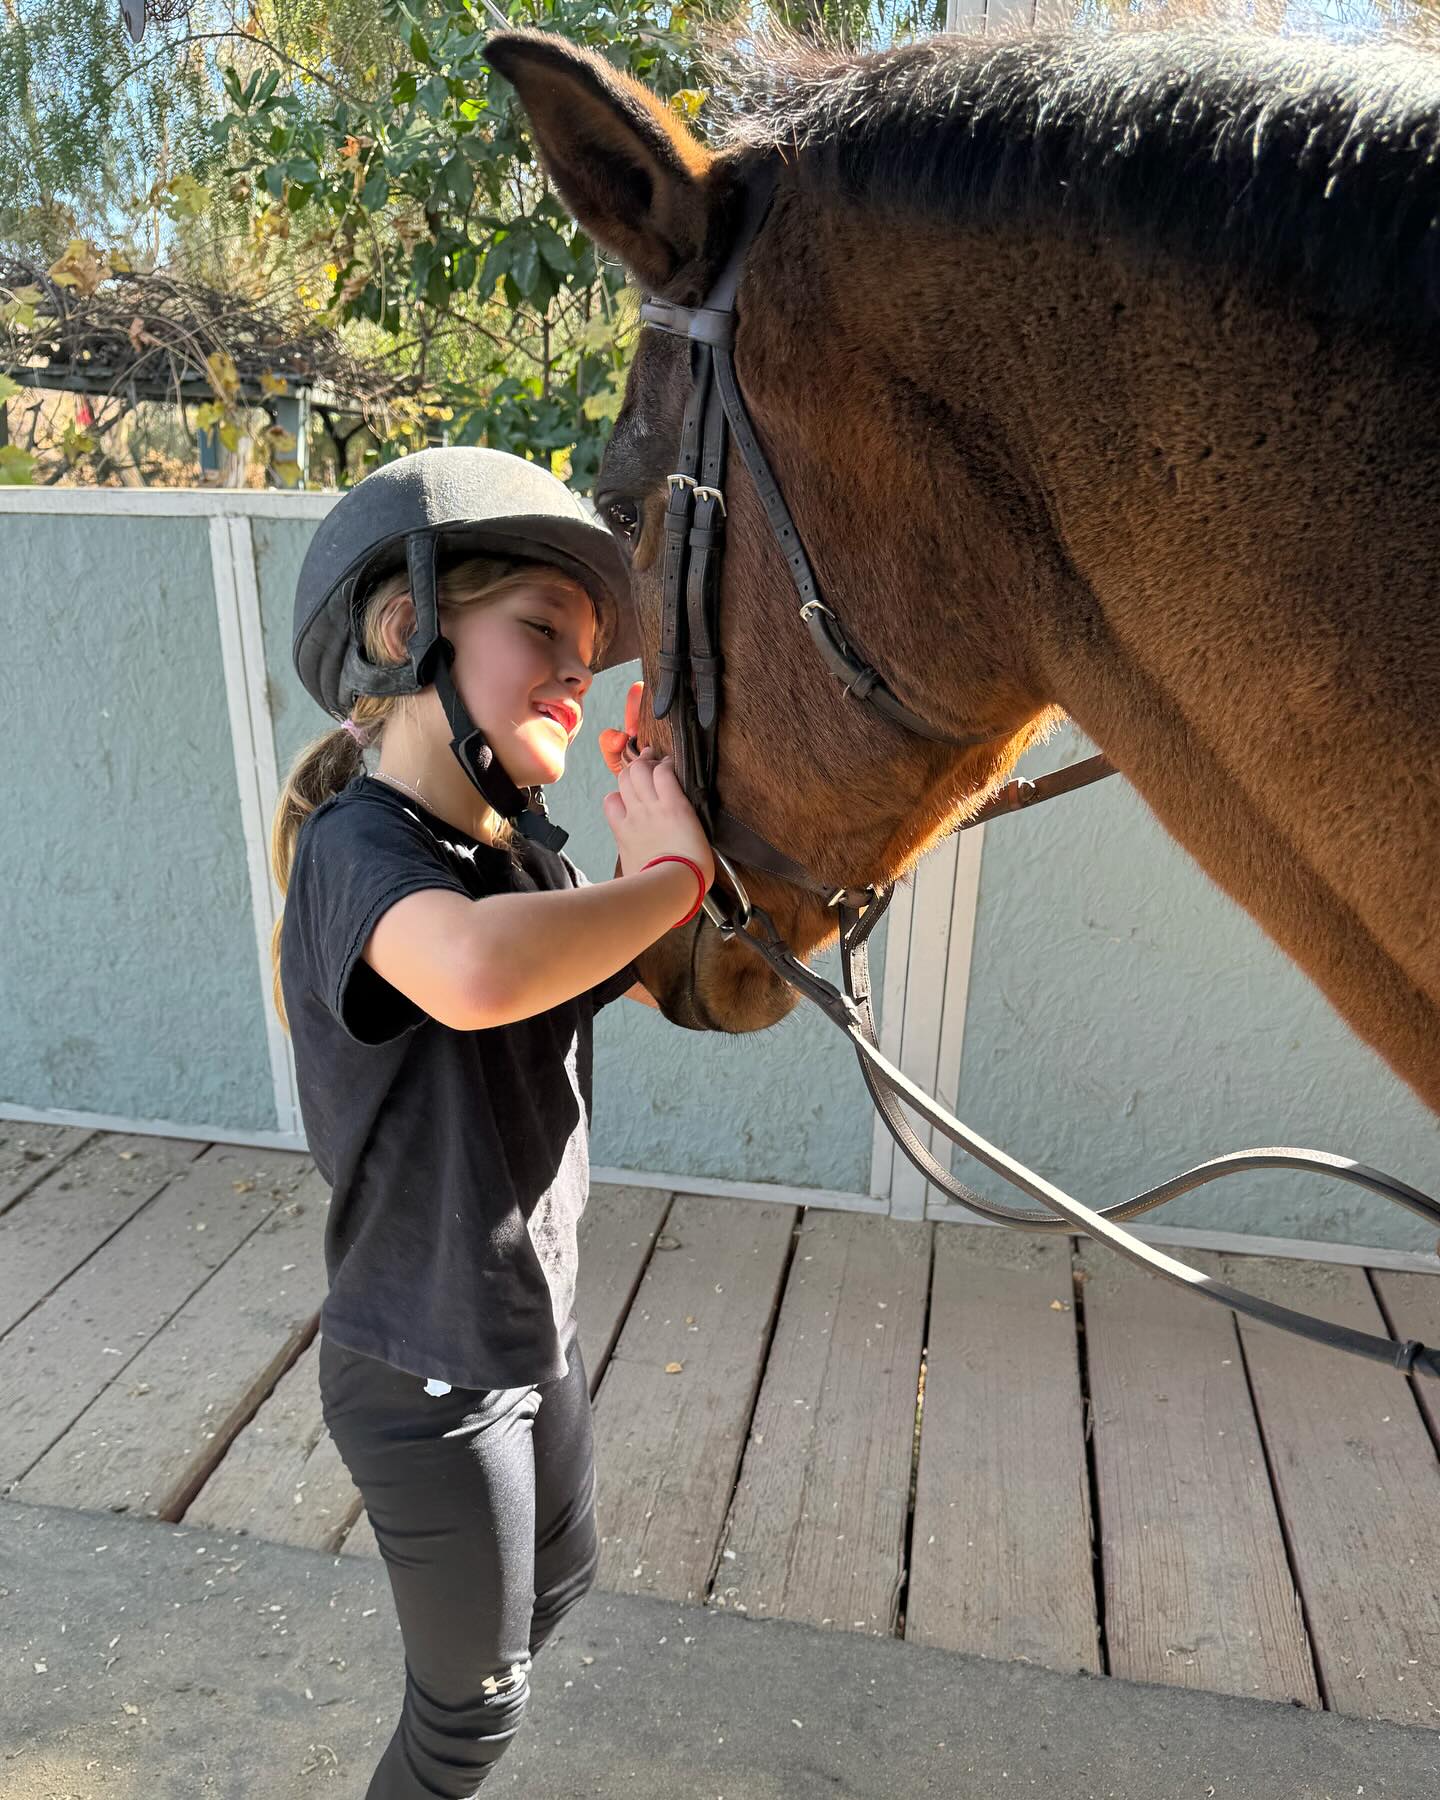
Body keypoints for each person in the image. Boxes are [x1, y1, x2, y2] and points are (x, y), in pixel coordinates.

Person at [269, 447, 712, 1798]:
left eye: (586, 654)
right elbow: (473, 974)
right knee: (465, 1724)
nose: (576, 676)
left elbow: (609, 976)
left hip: (529, 1327)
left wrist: (706, 851)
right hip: (422, 1368)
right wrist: (674, 877)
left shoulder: (531, 869)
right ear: (408, 629)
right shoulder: (362, 852)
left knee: (559, 1582)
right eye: (543, 635)